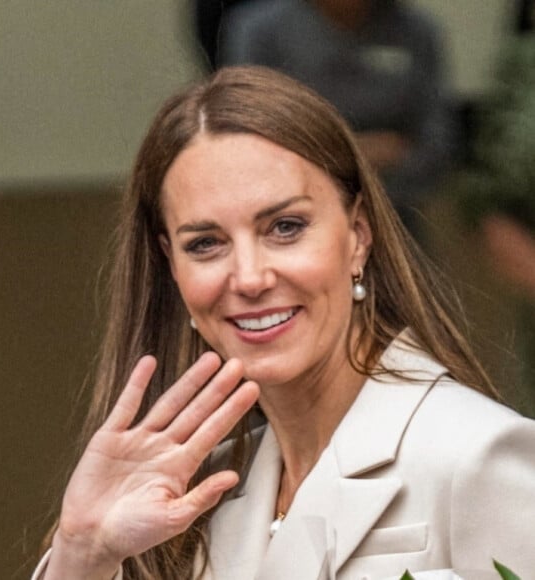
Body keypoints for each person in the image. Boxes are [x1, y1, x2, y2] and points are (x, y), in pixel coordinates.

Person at [32, 66, 535, 579]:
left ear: (358, 236)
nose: (248, 277)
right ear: (172, 268)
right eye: (205, 244)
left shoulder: (477, 456)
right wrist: (83, 552)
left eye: (286, 228)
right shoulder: (196, 494)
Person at [216, 0, 458, 240]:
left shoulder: (417, 31)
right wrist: (358, 152)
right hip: (285, 223)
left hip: (395, 219)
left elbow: (436, 146)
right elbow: (248, 145)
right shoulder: (258, 29)